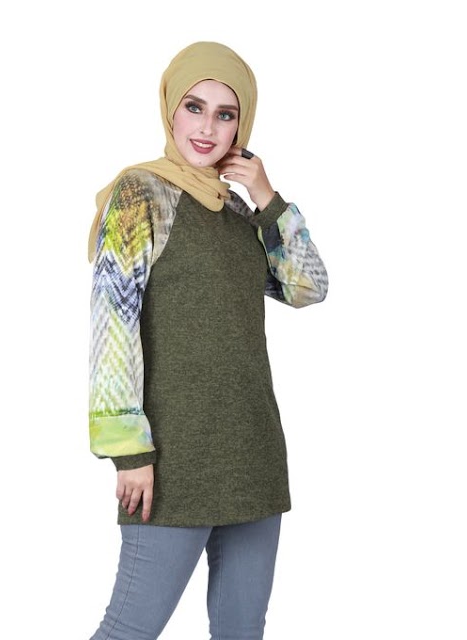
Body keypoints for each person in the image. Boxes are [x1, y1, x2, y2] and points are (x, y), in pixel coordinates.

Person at [86, 41, 328, 640]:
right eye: (194, 107)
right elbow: (113, 325)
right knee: (129, 628)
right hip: (173, 460)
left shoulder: (240, 215)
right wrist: (129, 452)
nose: (207, 128)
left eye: (226, 114)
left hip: (253, 457)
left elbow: (308, 287)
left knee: (243, 630)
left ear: (242, 127)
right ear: (170, 108)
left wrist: (268, 198)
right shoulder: (141, 194)